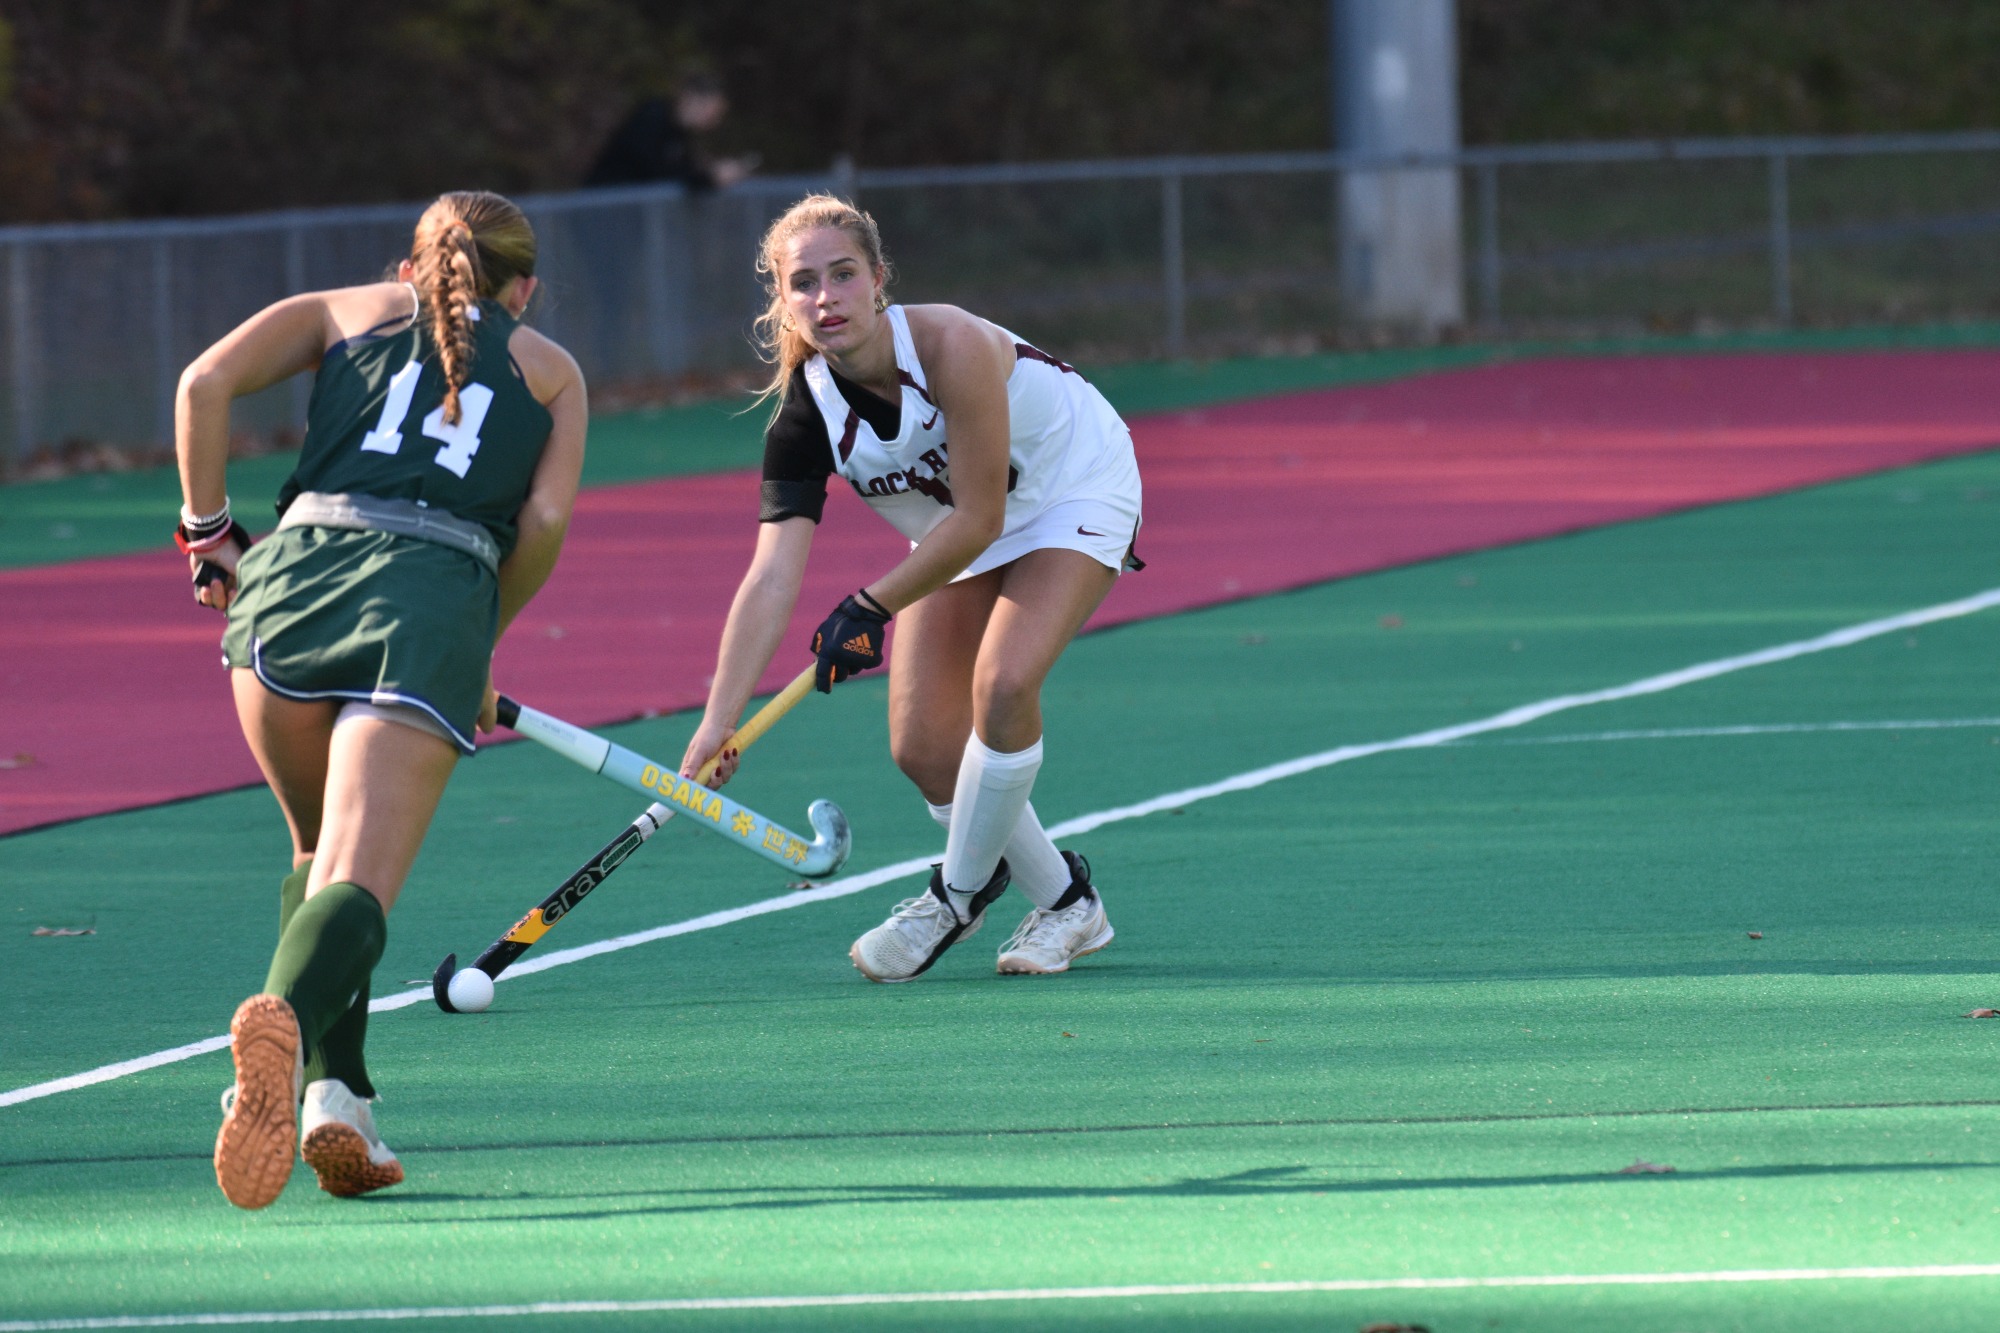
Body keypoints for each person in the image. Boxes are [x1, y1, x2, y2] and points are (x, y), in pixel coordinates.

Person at [175, 191, 587, 1209]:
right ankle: (280, 1027)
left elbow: (202, 382)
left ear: (412, 265)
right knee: (357, 878)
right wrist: (479, 642)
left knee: (315, 851)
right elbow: (541, 523)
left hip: (287, 584)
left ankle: (340, 1098)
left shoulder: (340, 309)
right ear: (524, 289)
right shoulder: (551, 371)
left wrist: (209, 533)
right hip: (428, 598)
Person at [679, 194, 1142, 984]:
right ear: (783, 300)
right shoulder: (805, 416)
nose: (826, 297)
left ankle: (953, 896)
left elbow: (981, 515)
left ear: (878, 279)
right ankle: (1069, 903)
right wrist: (718, 722)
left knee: (1004, 682)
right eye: (803, 283)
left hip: (1071, 486)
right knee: (925, 747)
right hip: (960, 527)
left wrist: (869, 606)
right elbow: (772, 573)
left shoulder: (951, 346)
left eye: (843, 274)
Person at [583, 78, 757, 191]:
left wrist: (710, 172)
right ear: (694, 99)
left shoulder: (679, 133)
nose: (715, 120)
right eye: (714, 111)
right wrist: (710, 178)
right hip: (605, 208)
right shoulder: (652, 117)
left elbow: (680, 169)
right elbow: (658, 170)